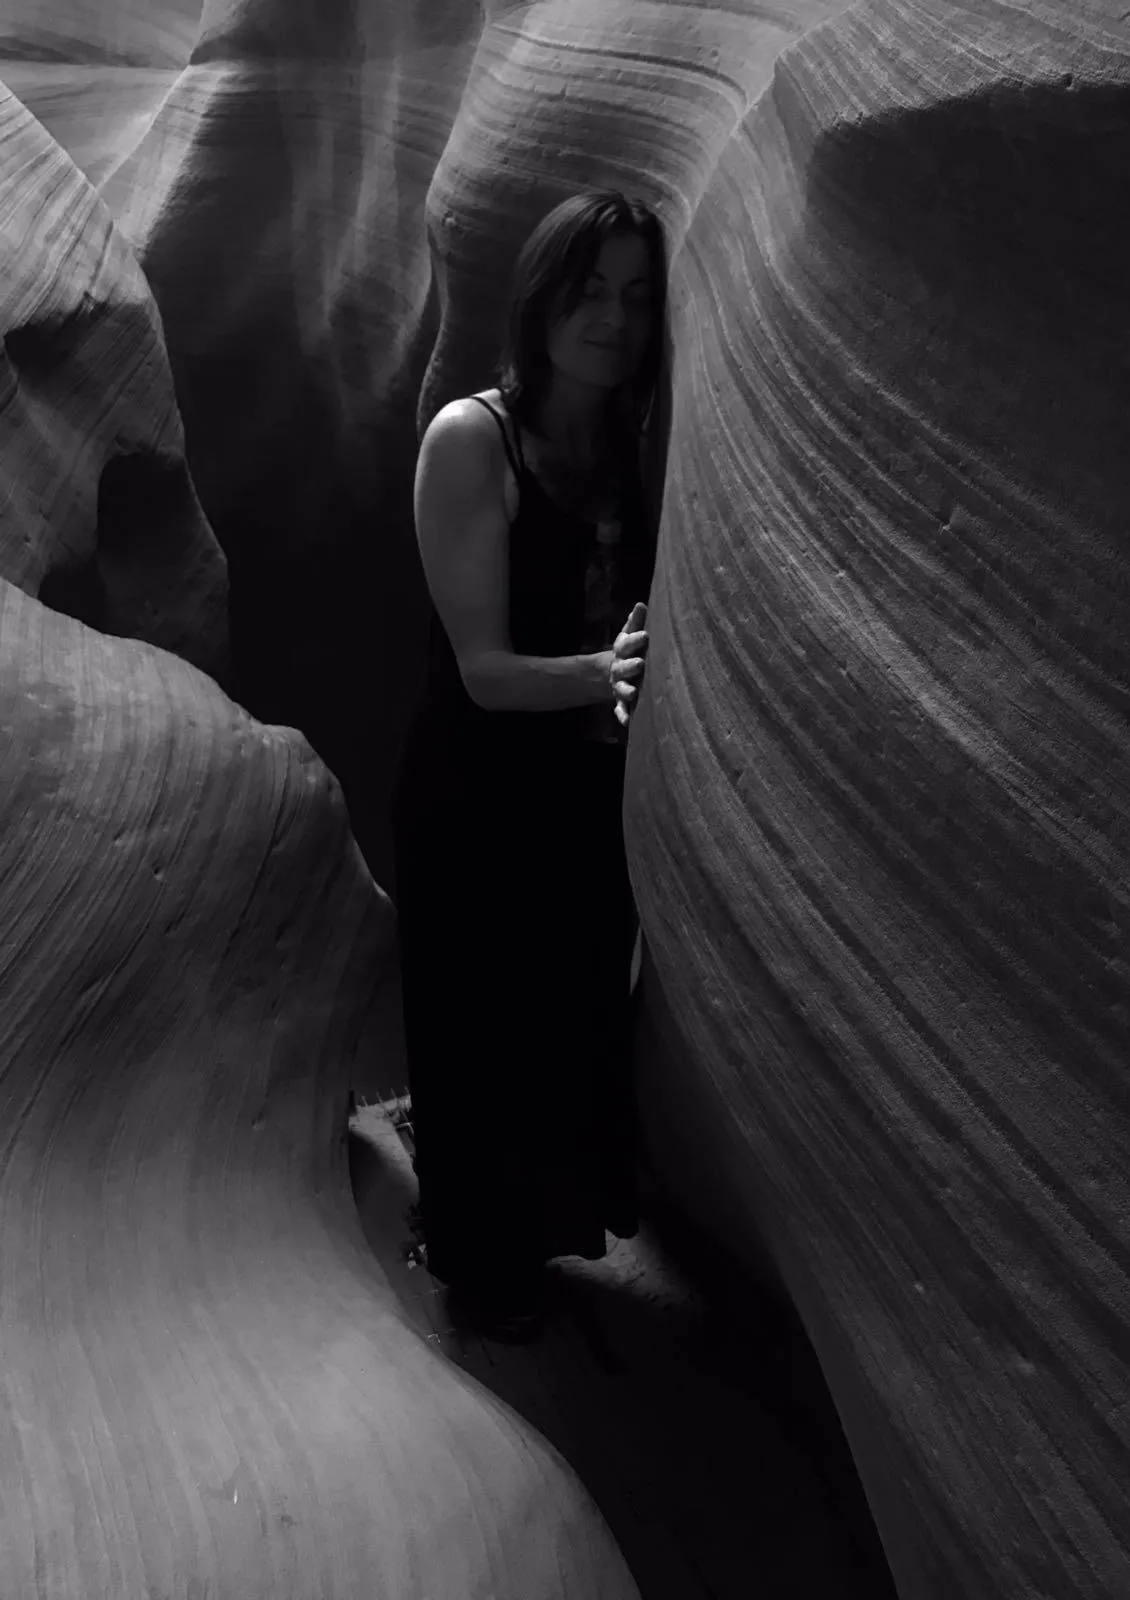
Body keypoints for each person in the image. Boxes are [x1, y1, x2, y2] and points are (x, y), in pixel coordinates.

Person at [390, 189, 670, 1341]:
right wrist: (609, 673)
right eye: (591, 288)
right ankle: (477, 1271)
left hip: (575, 790)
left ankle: (544, 1241)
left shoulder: (622, 450)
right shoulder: (473, 437)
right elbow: (484, 668)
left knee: (566, 1013)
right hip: (478, 789)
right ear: (543, 297)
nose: (613, 317)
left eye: (639, 297)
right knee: (482, 1019)